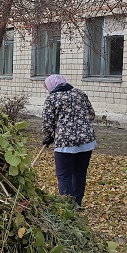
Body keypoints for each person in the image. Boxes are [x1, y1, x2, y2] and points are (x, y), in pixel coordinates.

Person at [41, 74, 96, 207]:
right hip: (86, 142)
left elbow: (48, 122)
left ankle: (67, 207)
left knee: (64, 175)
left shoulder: (52, 98)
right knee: (79, 173)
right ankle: (77, 204)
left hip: (64, 144)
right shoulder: (80, 93)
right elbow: (91, 115)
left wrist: (47, 137)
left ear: (52, 85)